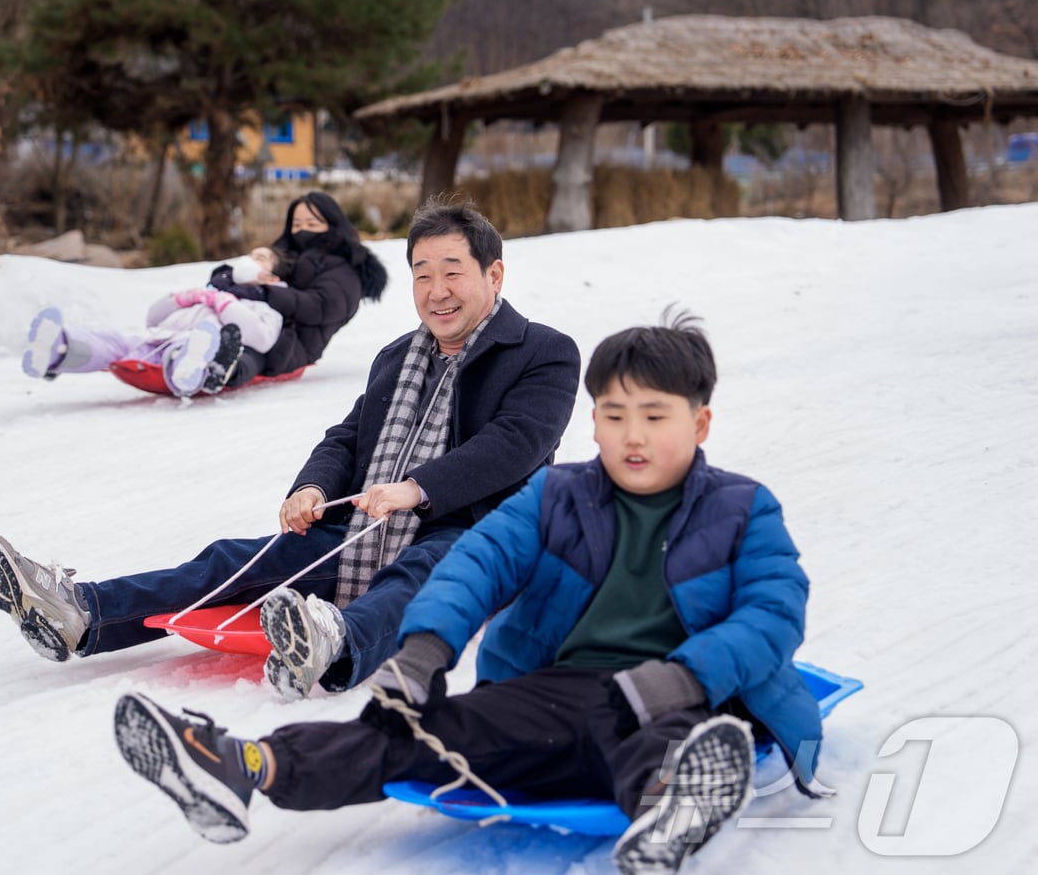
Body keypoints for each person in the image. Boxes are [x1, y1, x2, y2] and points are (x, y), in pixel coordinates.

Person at [112, 311, 833, 874]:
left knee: (659, 736)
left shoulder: (744, 507)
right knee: (414, 732)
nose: (631, 435)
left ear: (699, 422)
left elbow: (773, 612)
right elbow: (477, 561)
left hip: (689, 691)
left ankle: (672, 797)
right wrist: (424, 649)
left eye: (654, 416)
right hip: (555, 690)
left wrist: (681, 675)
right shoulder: (558, 493)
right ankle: (243, 763)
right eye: (614, 415)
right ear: (594, 422)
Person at [0, 198, 581, 701]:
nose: (437, 290)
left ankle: (333, 640)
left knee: (419, 572)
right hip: (365, 522)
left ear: (493, 275)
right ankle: (83, 612)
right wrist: (311, 489)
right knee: (232, 560)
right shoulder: (399, 355)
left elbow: (514, 445)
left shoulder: (544, 352)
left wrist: (416, 490)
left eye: (453, 271)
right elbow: (347, 437)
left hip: (476, 531)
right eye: (423, 274)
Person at [23, 191, 386, 396]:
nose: (303, 230)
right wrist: (226, 281)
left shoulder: (345, 267)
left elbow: (321, 307)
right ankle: (64, 348)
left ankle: (213, 369)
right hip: (244, 320)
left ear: (332, 225)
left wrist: (261, 292)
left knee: (247, 353)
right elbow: (241, 269)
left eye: (313, 223)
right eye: (297, 223)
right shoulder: (282, 255)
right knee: (141, 340)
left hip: (292, 344)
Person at [21, 246, 293, 397]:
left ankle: (190, 369)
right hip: (158, 338)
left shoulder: (264, 306)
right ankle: (58, 349)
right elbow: (152, 318)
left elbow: (261, 338)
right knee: (118, 344)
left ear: (271, 276)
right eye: (249, 255)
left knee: (193, 345)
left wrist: (226, 305)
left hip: (191, 346)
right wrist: (182, 299)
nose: (249, 260)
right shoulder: (209, 291)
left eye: (260, 258)